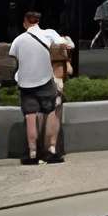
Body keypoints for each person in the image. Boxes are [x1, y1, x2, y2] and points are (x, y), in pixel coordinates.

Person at [10, 10, 70, 166]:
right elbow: (68, 44)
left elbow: (15, 57)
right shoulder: (48, 34)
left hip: (26, 83)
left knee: (30, 117)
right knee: (50, 113)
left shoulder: (18, 40)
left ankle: (32, 153)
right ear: (38, 21)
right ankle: (51, 150)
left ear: (25, 22)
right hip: (45, 81)